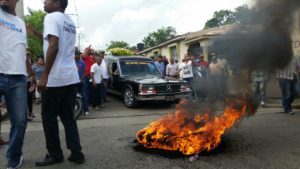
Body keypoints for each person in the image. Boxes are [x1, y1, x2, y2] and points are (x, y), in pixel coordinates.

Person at [28, 0, 85, 166]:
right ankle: (77, 153)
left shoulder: (51, 17)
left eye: (48, 0)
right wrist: (37, 33)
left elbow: (54, 46)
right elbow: (53, 41)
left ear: (58, 4)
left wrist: (45, 75)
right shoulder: (68, 21)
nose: (44, 2)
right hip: (70, 77)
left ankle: (55, 154)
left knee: (49, 118)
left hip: (55, 78)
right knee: (68, 118)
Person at [0, 0, 36, 168]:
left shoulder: (20, 23)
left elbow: (23, 51)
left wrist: (31, 75)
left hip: (18, 78)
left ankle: (14, 156)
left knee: (20, 121)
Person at [75, 50, 89, 115]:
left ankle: (86, 110)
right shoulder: (72, 62)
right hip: (74, 83)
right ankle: (77, 109)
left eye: (78, 55)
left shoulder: (82, 63)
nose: (76, 56)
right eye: (75, 55)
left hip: (82, 82)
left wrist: (81, 79)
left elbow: (85, 72)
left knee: (84, 96)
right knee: (74, 96)